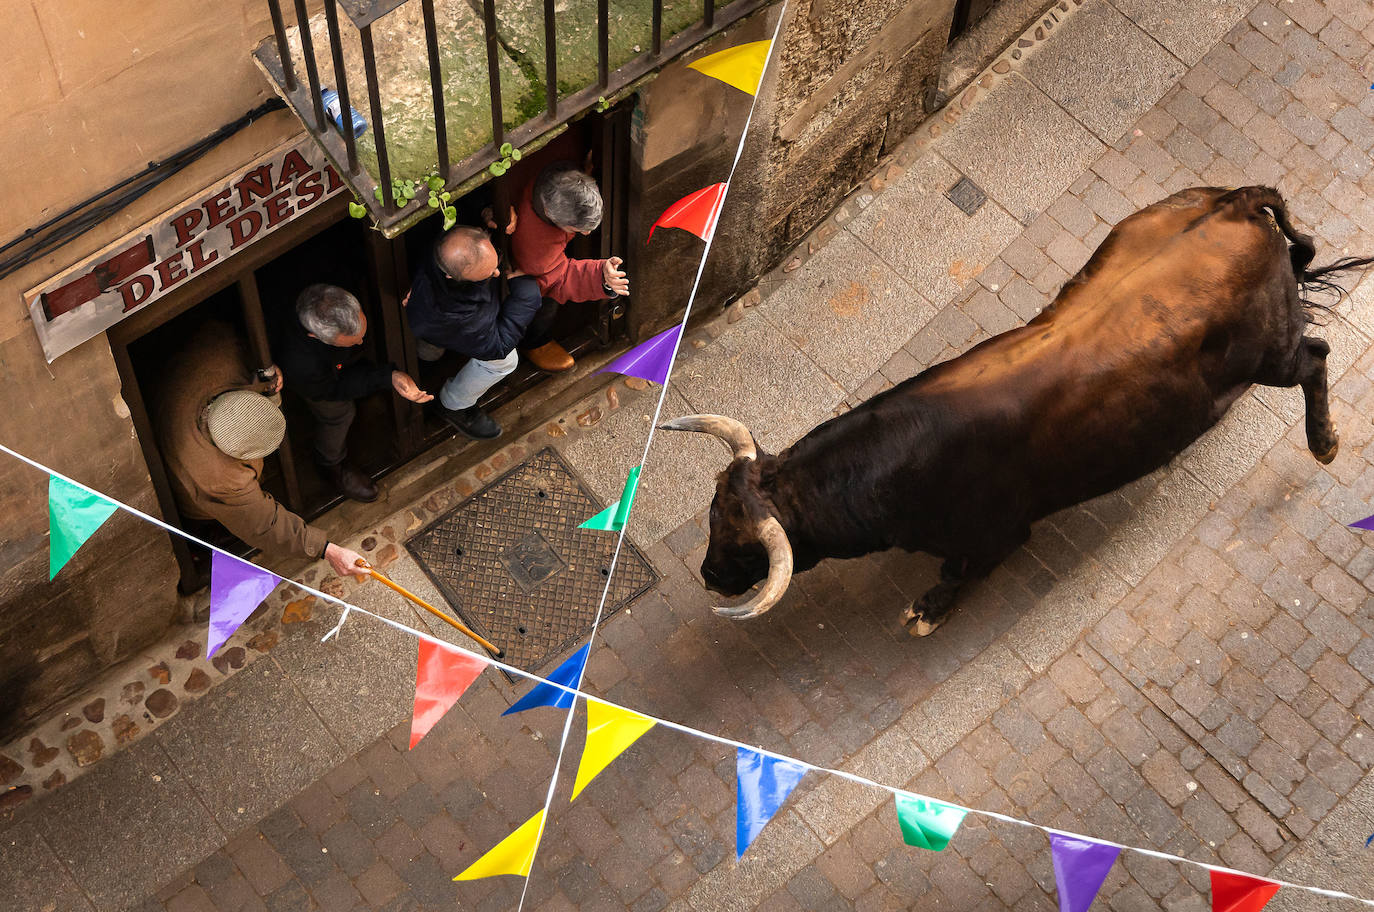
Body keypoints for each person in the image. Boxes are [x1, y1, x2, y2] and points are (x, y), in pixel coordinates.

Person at [156, 324, 369, 579]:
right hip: (186, 490)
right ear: (236, 455)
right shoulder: (221, 477)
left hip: (172, 383)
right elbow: (265, 524)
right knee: (219, 520)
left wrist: (270, 375)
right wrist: (329, 550)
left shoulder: (222, 353)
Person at [276, 283, 432, 503]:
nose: (360, 340)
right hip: (321, 381)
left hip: (340, 363)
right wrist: (387, 377)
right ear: (315, 336)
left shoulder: (343, 281)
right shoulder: (300, 362)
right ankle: (331, 464)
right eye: (352, 341)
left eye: (361, 333)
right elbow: (334, 388)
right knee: (340, 413)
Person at [404, 225, 542, 439]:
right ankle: (453, 403)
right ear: (452, 277)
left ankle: (430, 352)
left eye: (495, 264)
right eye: (488, 274)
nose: (497, 273)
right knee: (505, 361)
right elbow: (497, 347)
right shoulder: (454, 313)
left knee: (431, 350)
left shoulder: (442, 242)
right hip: (436, 325)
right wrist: (527, 294)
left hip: (426, 312)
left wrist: (490, 214)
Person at [509, 161, 630, 372]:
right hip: (533, 267)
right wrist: (600, 275)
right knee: (544, 296)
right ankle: (534, 341)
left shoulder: (569, 160)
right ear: (548, 211)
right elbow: (559, 280)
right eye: (576, 228)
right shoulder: (535, 253)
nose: (586, 234)